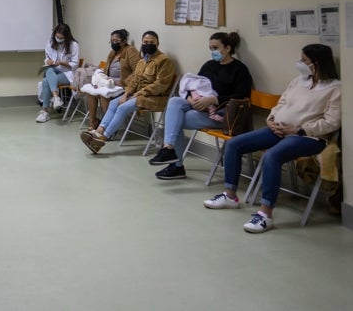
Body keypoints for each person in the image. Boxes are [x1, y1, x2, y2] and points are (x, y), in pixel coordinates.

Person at [203, 44, 340, 233]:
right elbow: (281, 103)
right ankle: (230, 195)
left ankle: (265, 214)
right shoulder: (299, 81)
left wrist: (299, 130)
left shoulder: (335, 88)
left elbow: (331, 122)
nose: (300, 63)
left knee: (271, 156)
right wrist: (271, 120)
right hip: (277, 130)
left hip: (308, 137)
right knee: (234, 144)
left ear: (317, 64)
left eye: (305, 61)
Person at [149, 32, 252, 180]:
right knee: (174, 102)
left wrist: (213, 100)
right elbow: (194, 84)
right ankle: (169, 149)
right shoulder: (209, 65)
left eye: (216, 47)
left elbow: (242, 96)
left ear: (228, 48)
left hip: (223, 114)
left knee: (177, 120)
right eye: (210, 48)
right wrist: (190, 99)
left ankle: (176, 165)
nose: (213, 52)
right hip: (199, 106)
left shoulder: (240, 70)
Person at [79, 30, 174, 154]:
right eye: (145, 42)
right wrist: (126, 94)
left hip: (154, 97)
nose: (148, 44)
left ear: (158, 44)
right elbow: (134, 80)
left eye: (151, 42)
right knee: (114, 103)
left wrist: (140, 92)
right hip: (137, 95)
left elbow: (160, 85)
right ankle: (98, 132)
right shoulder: (142, 61)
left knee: (122, 108)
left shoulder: (163, 61)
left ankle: (102, 140)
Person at [82, 29, 140, 129]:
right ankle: (93, 122)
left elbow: (137, 72)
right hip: (110, 83)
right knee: (91, 93)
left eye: (116, 41)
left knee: (105, 95)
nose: (113, 43)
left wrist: (122, 82)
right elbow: (106, 70)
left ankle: (106, 126)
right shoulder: (113, 52)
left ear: (124, 41)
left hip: (123, 85)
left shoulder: (131, 51)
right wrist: (99, 80)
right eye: (111, 41)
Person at [36, 23, 80, 123]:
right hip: (54, 69)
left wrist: (62, 63)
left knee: (46, 81)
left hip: (67, 73)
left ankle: (44, 112)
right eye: (57, 36)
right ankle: (56, 97)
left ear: (67, 37)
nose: (58, 39)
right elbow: (47, 57)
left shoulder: (74, 45)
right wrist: (48, 61)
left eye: (61, 37)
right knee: (48, 69)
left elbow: (75, 64)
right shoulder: (51, 41)